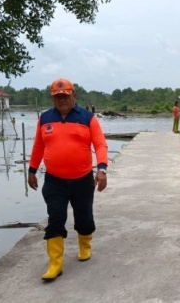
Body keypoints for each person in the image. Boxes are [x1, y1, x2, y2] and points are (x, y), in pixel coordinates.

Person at [27, 78, 108, 281]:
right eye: (57, 97)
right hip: (55, 181)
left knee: (84, 219)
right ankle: (55, 263)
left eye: (65, 96)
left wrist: (102, 170)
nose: (61, 100)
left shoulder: (88, 118)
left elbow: (100, 145)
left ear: (74, 96)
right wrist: (32, 170)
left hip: (82, 180)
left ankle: (85, 246)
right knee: (55, 218)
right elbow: (38, 147)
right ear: (52, 98)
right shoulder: (44, 119)